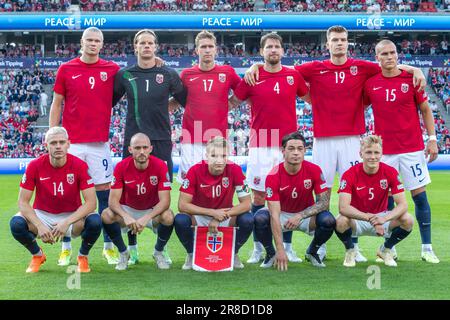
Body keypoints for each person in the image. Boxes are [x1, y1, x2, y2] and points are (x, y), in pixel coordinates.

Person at [244, 25, 426, 263]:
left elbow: (388, 64)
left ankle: (355, 247)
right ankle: (320, 247)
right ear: (327, 44)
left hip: (352, 138)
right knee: (323, 193)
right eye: (334, 40)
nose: (339, 43)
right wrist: (256, 65)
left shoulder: (361, 67)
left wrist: (415, 69)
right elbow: (281, 69)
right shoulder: (314, 68)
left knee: (356, 195)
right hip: (323, 139)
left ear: (348, 43)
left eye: (343, 39)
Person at [229, 32, 309, 264]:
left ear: (282, 51)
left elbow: (311, 98)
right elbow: (233, 103)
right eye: (269, 47)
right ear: (262, 52)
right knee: (259, 197)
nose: (273, 50)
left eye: (277, 46)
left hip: (287, 147)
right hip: (261, 145)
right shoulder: (253, 77)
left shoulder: (293, 76)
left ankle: (287, 247)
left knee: (287, 198)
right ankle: (258, 248)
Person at [113, 29, 186, 264]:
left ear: (156, 46)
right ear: (135, 47)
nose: (146, 46)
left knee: (162, 194)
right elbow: (110, 101)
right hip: (133, 141)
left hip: (162, 141)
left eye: (150, 43)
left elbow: (184, 100)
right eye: (142, 43)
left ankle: (159, 249)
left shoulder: (168, 73)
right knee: (128, 195)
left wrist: (169, 107)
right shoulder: (124, 74)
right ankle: (132, 249)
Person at [49, 27, 120, 265]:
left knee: (104, 198)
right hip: (74, 143)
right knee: (69, 195)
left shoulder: (112, 69)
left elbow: (136, 74)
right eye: (89, 40)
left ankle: (108, 247)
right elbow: (57, 103)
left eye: (97, 41)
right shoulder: (66, 68)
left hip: (99, 144)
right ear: (81, 42)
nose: (92, 43)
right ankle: (66, 246)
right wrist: (53, 132)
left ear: (102, 44)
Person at [363, 40, 439, 263]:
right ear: (377, 58)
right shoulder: (370, 83)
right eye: (384, 54)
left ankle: (427, 248)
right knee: (386, 201)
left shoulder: (411, 79)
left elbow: (425, 109)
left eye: (393, 53)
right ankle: (388, 246)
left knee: (420, 198)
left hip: (412, 149)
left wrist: (432, 139)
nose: (389, 57)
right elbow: (359, 108)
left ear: (398, 54)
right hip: (384, 153)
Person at [10, 127, 102, 273]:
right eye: (53, 143)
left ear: (68, 144)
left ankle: (82, 257)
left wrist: (66, 222)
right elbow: (23, 202)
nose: (58, 146)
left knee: (96, 221)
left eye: (61, 142)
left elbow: (91, 203)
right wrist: (39, 225)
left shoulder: (80, 165)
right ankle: (37, 255)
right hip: (43, 214)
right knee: (16, 224)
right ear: (46, 145)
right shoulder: (35, 166)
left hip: (72, 216)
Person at [255, 132, 335, 270]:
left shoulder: (314, 170)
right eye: (291, 149)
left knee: (328, 220)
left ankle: (312, 251)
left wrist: (300, 216)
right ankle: (271, 253)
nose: (296, 153)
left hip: (306, 216)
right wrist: (281, 250)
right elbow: (274, 214)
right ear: (283, 151)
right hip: (282, 214)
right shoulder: (273, 175)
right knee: (259, 218)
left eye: (300, 149)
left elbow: (324, 202)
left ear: (305, 150)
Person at [170, 30, 242, 183]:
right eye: (203, 47)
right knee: (188, 184)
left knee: (217, 183)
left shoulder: (227, 72)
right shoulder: (186, 74)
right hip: (191, 139)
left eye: (210, 46)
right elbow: (177, 101)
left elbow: (243, 92)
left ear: (216, 49)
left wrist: (228, 104)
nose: (207, 50)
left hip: (217, 140)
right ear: (197, 50)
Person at [174, 136, 253, 270]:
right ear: (207, 156)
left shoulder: (235, 170)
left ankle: (233, 253)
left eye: (223, 155)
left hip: (226, 214)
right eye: (214, 155)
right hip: (200, 215)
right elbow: (182, 205)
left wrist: (220, 216)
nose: (219, 160)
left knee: (248, 219)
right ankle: (191, 253)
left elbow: (247, 204)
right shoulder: (194, 170)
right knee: (180, 219)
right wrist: (212, 213)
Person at [335, 135, 414, 267]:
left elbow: (403, 205)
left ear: (382, 154)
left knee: (408, 219)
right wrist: (369, 218)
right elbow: (343, 208)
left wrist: (385, 218)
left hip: (382, 216)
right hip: (358, 218)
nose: (373, 156)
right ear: (361, 154)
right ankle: (350, 250)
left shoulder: (390, 172)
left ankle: (385, 249)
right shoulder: (350, 173)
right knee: (340, 221)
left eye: (376, 152)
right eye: (368, 152)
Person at [101, 133, 174, 270]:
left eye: (145, 147)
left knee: (168, 216)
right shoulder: (121, 166)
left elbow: (165, 201)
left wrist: (146, 217)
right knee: (106, 214)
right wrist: (126, 216)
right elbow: (112, 201)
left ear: (151, 148)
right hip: (128, 209)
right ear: (130, 150)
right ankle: (123, 252)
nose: (142, 151)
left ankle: (158, 252)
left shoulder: (160, 165)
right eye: (137, 148)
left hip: (151, 210)